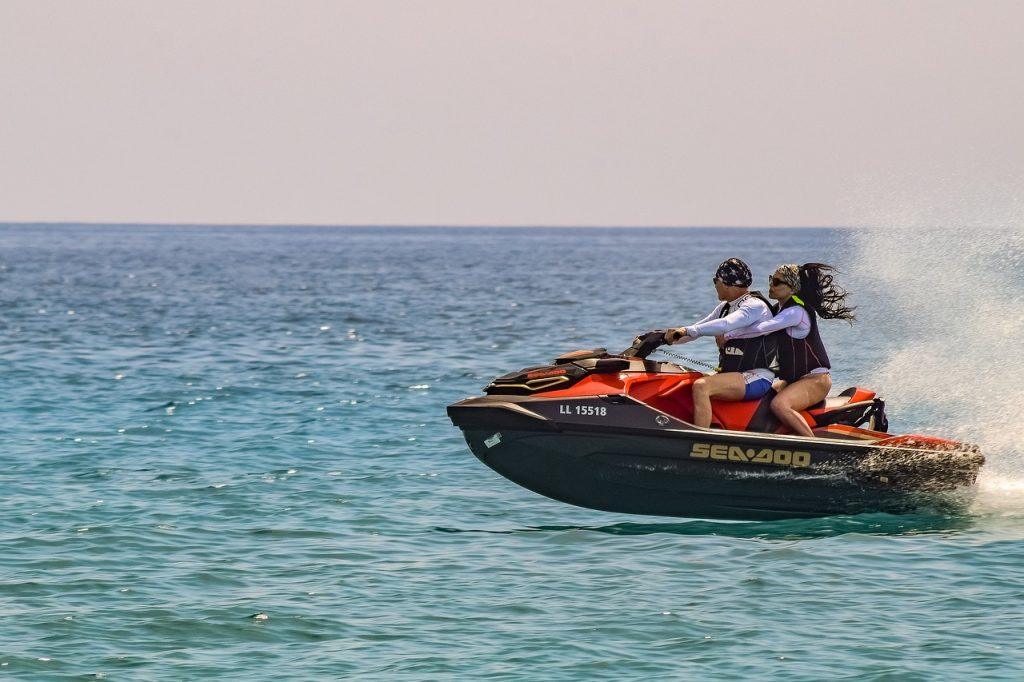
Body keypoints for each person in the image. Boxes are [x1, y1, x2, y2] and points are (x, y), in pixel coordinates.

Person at [727, 263, 855, 437]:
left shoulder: (796, 312)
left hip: (815, 380)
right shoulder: (778, 309)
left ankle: (813, 446)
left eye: (777, 282)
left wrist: (728, 334)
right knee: (762, 394)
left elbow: (762, 328)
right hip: (793, 381)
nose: (771, 285)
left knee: (779, 405)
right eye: (771, 279)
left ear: (792, 288)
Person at [663, 258, 777, 428]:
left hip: (756, 377)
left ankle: (701, 439)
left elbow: (725, 324)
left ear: (726, 283)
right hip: (736, 375)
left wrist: (686, 331)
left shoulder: (754, 306)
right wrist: (662, 339)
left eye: (715, 280)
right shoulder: (725, 307)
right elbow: (698, 329)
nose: (714, 284)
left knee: (701, 386)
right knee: (686, 381)